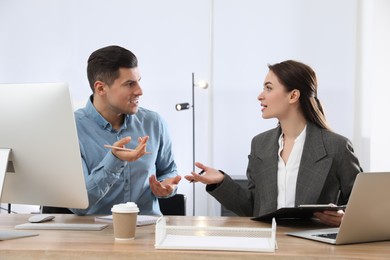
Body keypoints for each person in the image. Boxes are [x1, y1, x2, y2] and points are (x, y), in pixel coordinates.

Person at [185, 60, 362, 226]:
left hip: (315, 250)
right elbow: (253, 208)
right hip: (268, 246)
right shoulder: (260, 144)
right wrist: (221, 181)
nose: (260, 96)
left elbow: (363, 208)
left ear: (293, 95)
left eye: (268, 88)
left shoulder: (336, 146)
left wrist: (345, 219)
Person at [70, 45, 181, 215]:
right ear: (101, 88)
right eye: (130, 84)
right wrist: (114, 160)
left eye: (138, 81)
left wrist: (167, 186)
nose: (139, 91)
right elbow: (78, 205)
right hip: (93, 234)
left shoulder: (154, 123)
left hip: (147, 231)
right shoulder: (72, 129)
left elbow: (168, 171)